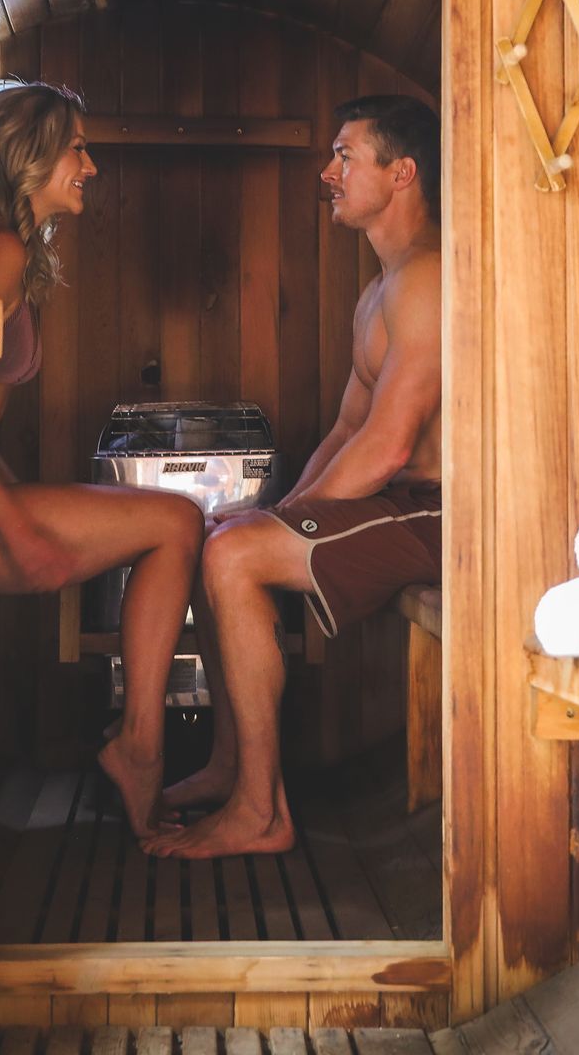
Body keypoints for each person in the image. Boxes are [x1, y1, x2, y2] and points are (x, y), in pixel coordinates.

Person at [147, 94, 444, 860]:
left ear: (402, 172)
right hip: (399, 504)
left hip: (442, 513)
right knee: (217, 539)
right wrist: (276, 512)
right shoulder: (383, 288)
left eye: (346, 156)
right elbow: (348, 428)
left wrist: (269, 528)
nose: (328, 172)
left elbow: (386, 445)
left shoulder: (432, 282)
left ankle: (260, 813)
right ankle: (229, 765)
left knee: (233, 550)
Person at [0, 81, 202, 840]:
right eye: (77, 147)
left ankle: (140, 747)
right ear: (30, 154)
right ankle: (139, 749)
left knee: (176, 522)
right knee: (175, 522)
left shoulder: (9, 248)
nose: (91, 166)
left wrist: (4, 498)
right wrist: (14, 524)